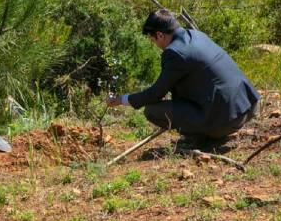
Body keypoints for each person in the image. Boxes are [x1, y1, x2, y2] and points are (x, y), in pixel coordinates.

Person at [107, 9, 260, 148]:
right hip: (248, 106)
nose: (154, 44)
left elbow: (154, 94)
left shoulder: (175, 53)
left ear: (160, 35)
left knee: (152, 110)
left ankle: (204, 138)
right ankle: (209, 132)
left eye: (152, 40)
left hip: (225, 121)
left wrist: (122, 99)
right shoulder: (197, 35)